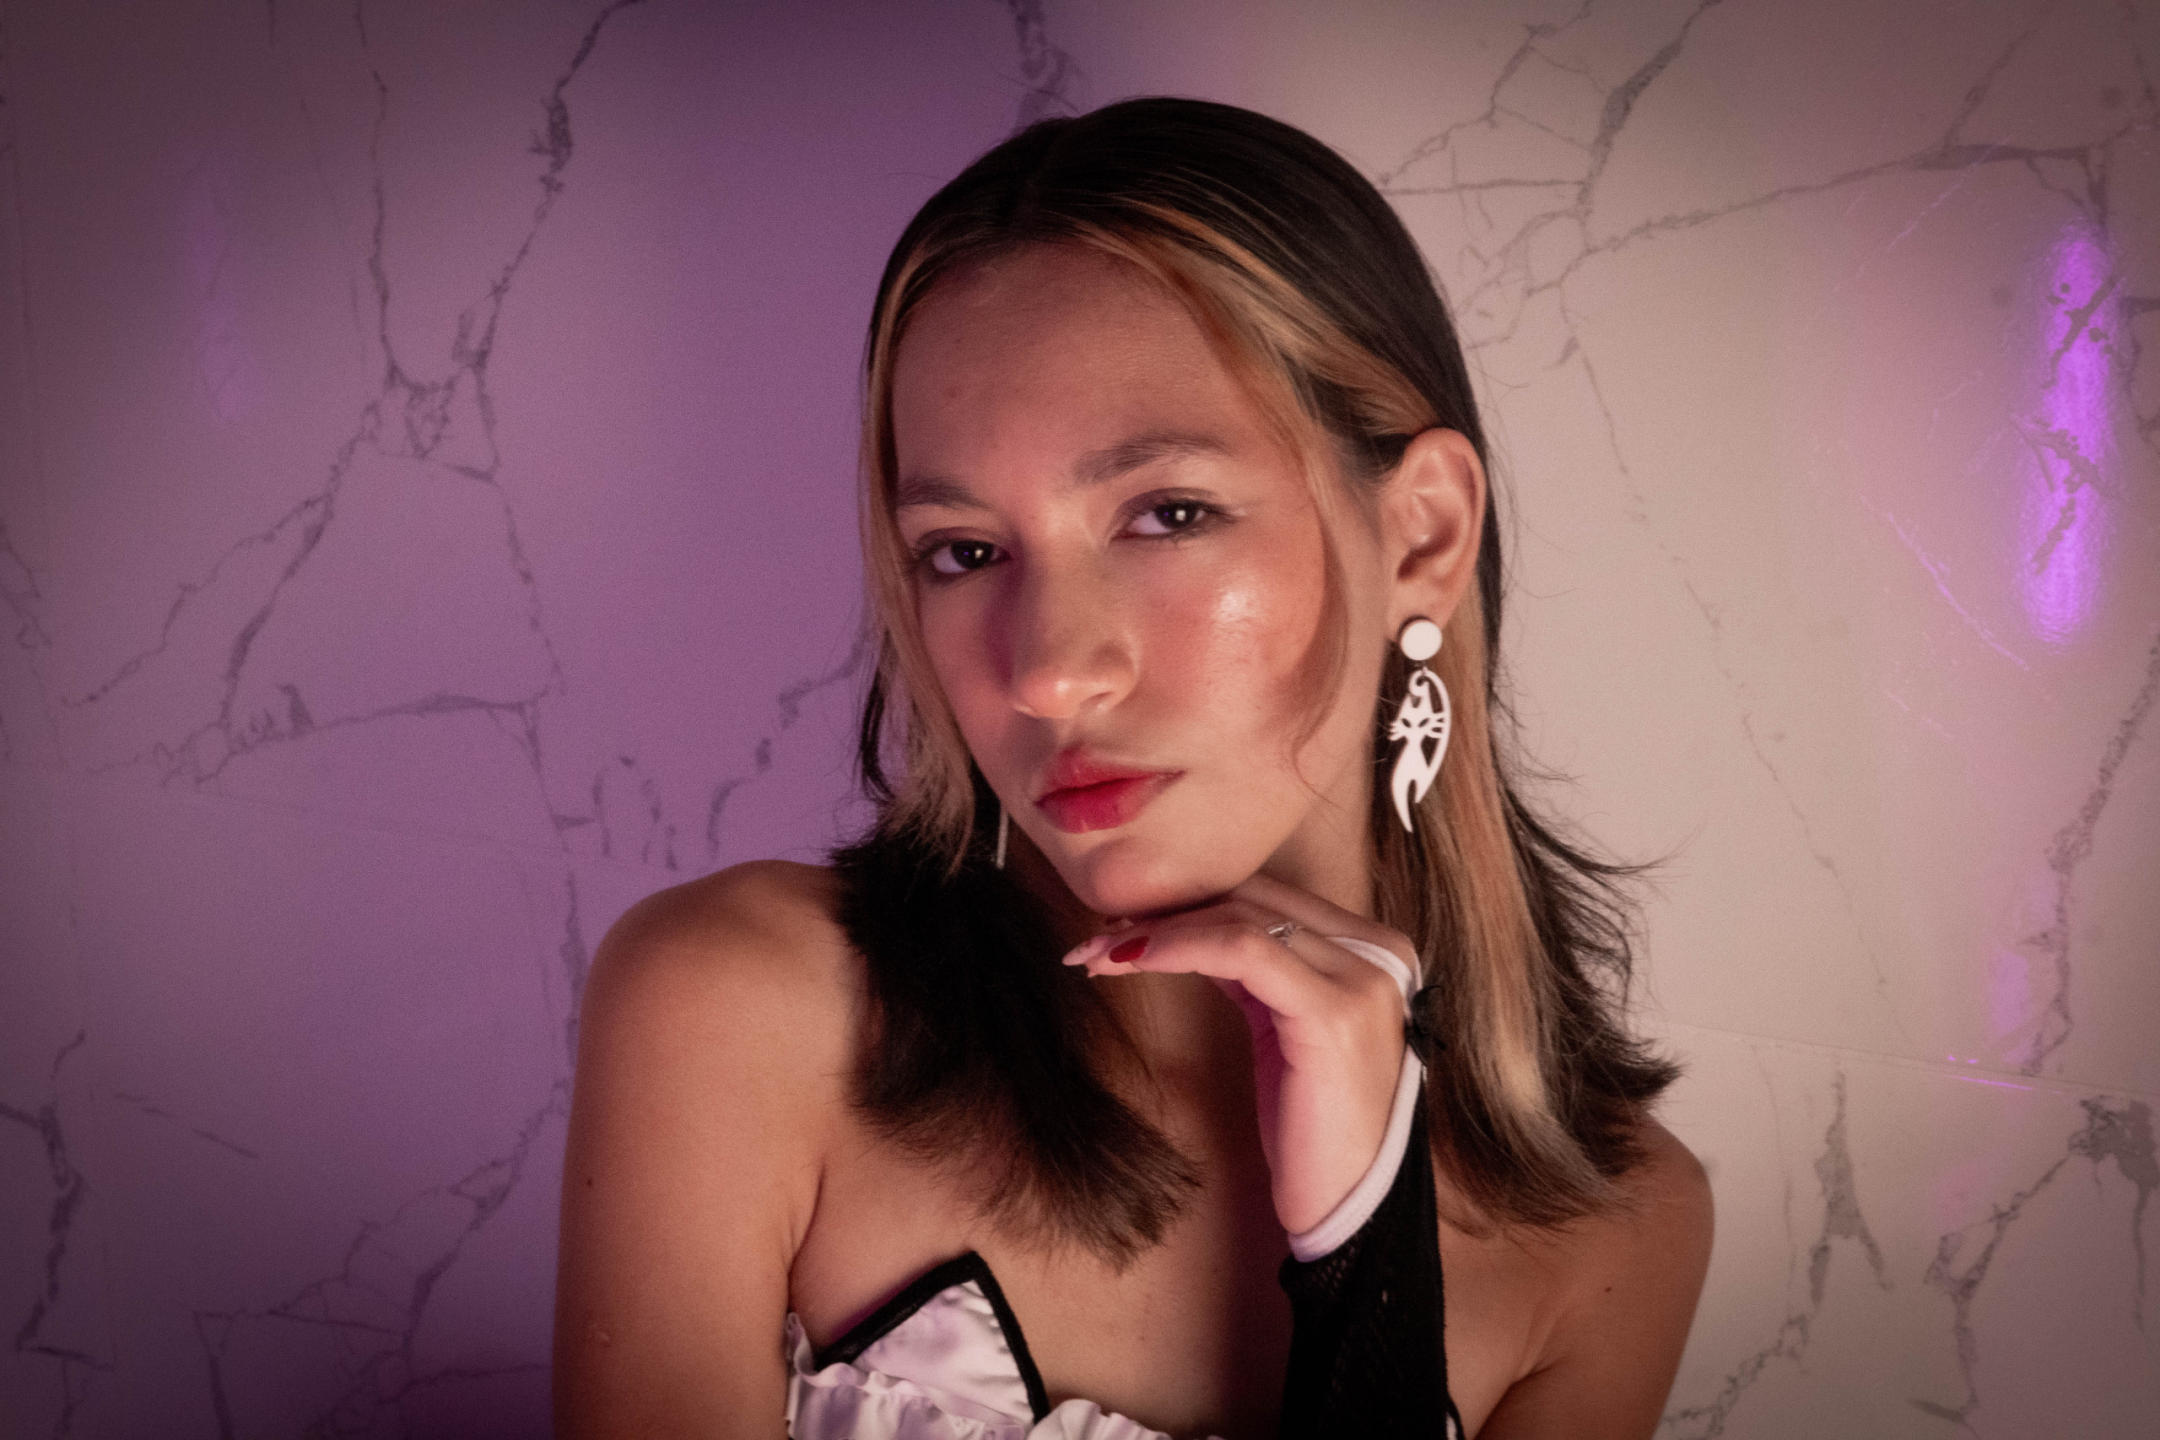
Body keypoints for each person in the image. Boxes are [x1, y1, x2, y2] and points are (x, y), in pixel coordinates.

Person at [554, 96, 1713, 1439]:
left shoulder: (1619, 1234)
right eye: (964, 552)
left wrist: (1371, 1261)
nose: (1047, 673)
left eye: (1167, 514)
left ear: (1423, 537)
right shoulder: (746, 1013)